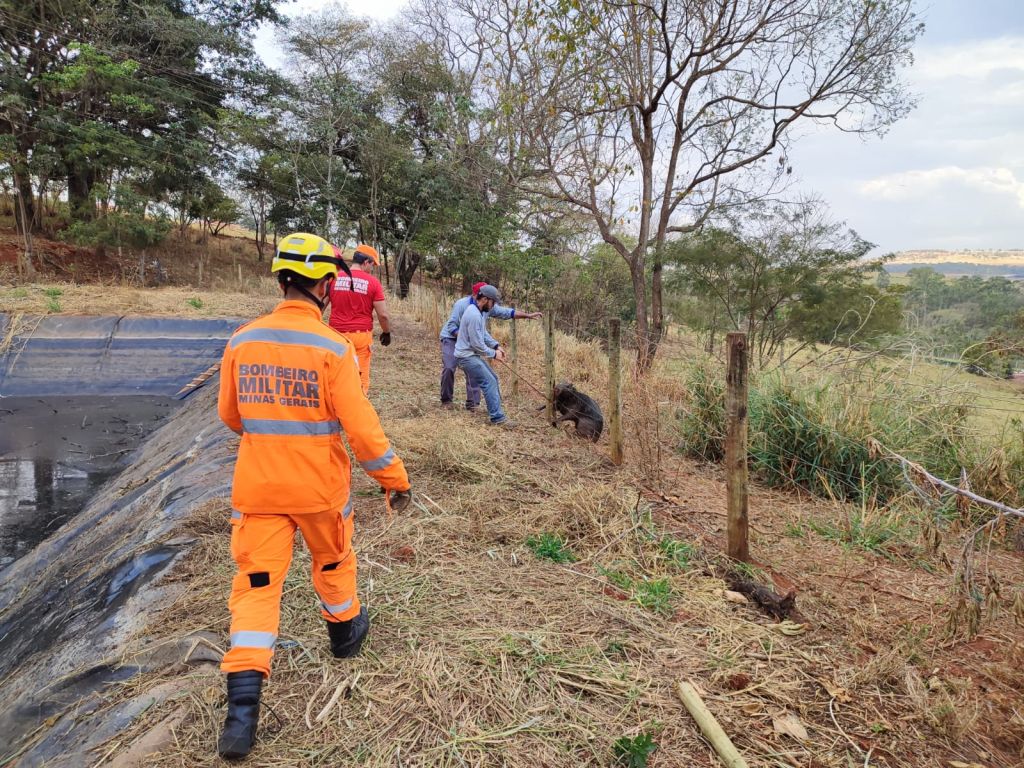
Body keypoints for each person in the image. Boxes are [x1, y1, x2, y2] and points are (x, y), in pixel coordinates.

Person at [215, 232, 412, 760]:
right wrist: (394, 479)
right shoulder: (333, 348)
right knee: (332, 560)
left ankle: (240, 716)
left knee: (257, 585)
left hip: (257, 490)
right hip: (320, 489)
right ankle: (345, 635)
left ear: (281, 279)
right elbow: (363, 430)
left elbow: (230, 417)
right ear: (326, 285)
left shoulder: (242, 341)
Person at [439, 283, 541, 410]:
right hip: (452, 338)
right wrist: (492, 352)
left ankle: (473, 404)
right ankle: (446, 400)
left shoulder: (486, 307)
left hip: (471, 339)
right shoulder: (463, 306)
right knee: (449, 367)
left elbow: (506, 313)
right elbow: (452, 325)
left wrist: (527, 316)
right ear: (477, 295)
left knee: (474, 369)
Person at [326, 243, 390, 395]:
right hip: (360, 336)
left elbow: (321, 304)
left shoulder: (334, 278)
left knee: (334, 375)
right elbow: (383, 315)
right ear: (366, 262)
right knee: (359, 379)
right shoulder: (373, 282)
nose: (372, 268)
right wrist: (386, 332)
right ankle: (357, 409)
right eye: (372, 264)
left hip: (335, 335)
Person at [455, 284, 513, 426]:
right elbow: (477, 345)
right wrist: (494, 354)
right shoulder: (474, 314)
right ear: (486, 299)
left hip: (470, 355)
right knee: (489, 382)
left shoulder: (477, 311)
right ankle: (497, 418)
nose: (493, 306)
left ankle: (495, 410)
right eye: (493, 302)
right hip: (466, 357)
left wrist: (496, 345)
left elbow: (483, 334)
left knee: (493, 377)